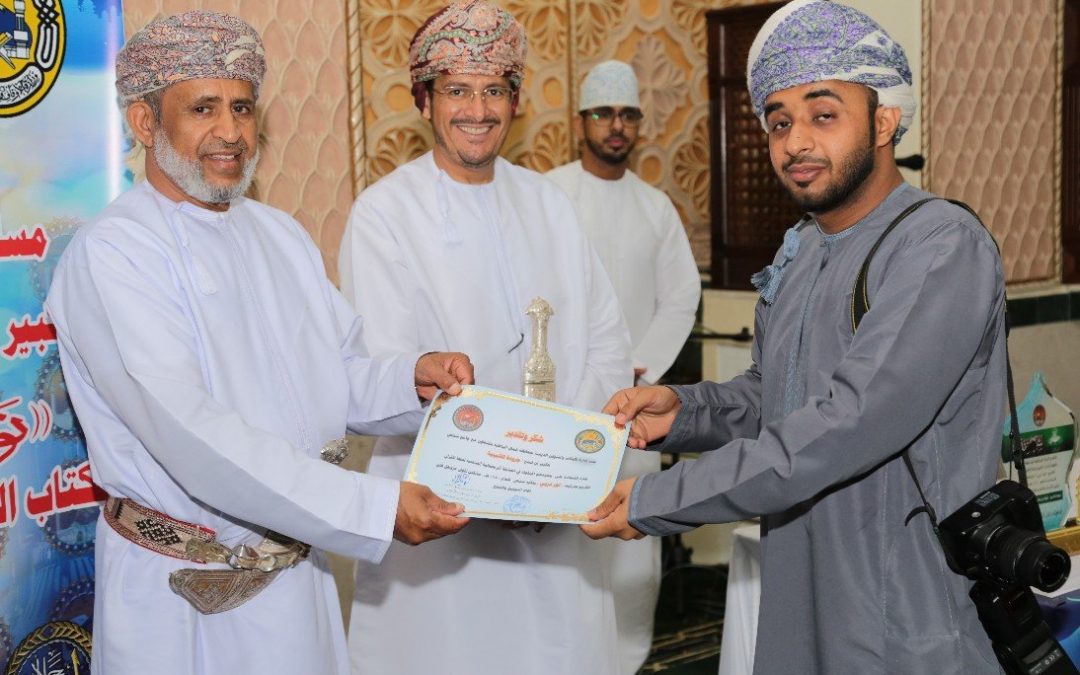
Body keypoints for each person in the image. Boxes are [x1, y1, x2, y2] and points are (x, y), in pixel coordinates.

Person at [583, 1, 1005, 673]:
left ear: (885, 120)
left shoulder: (940, 246)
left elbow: (848, 421)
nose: (795, 142)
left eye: (823, 115)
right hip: (798, 599)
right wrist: (684, 413)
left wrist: (659, 499)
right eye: (779, 121)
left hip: (902, 617)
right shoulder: (804, 249)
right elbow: (774, 397)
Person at [45, 11, 473, 675]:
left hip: (299, 581)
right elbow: (194, 437)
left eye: (242, 107)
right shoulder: (113, 253)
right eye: (204, 108)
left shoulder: (279, 235)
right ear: (146, 122)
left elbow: (338, 373)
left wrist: (411, 382)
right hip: (181, 600)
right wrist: (372, 506)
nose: (231, 131)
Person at [338, 2, 632, 673]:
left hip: (560, 509)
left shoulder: (551, 204)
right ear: (425, 100)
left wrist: (560, 464)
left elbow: (607, 341)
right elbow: (381, 371)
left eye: (494, 90)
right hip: (444, 521)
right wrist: (499, 476)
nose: (477, 110)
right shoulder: (384, 214)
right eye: (457, 91)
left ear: (515, 102)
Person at [546, 59, 700, 674]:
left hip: (633, 406)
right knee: (561, 542)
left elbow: (681, 297)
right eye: (604, 113)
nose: (617, 125)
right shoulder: (547, 196)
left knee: (633, 544)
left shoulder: (654, 207)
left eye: (628, 115)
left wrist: (639, 371)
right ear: (580, 121)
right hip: (562, 403)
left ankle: (629, 662)